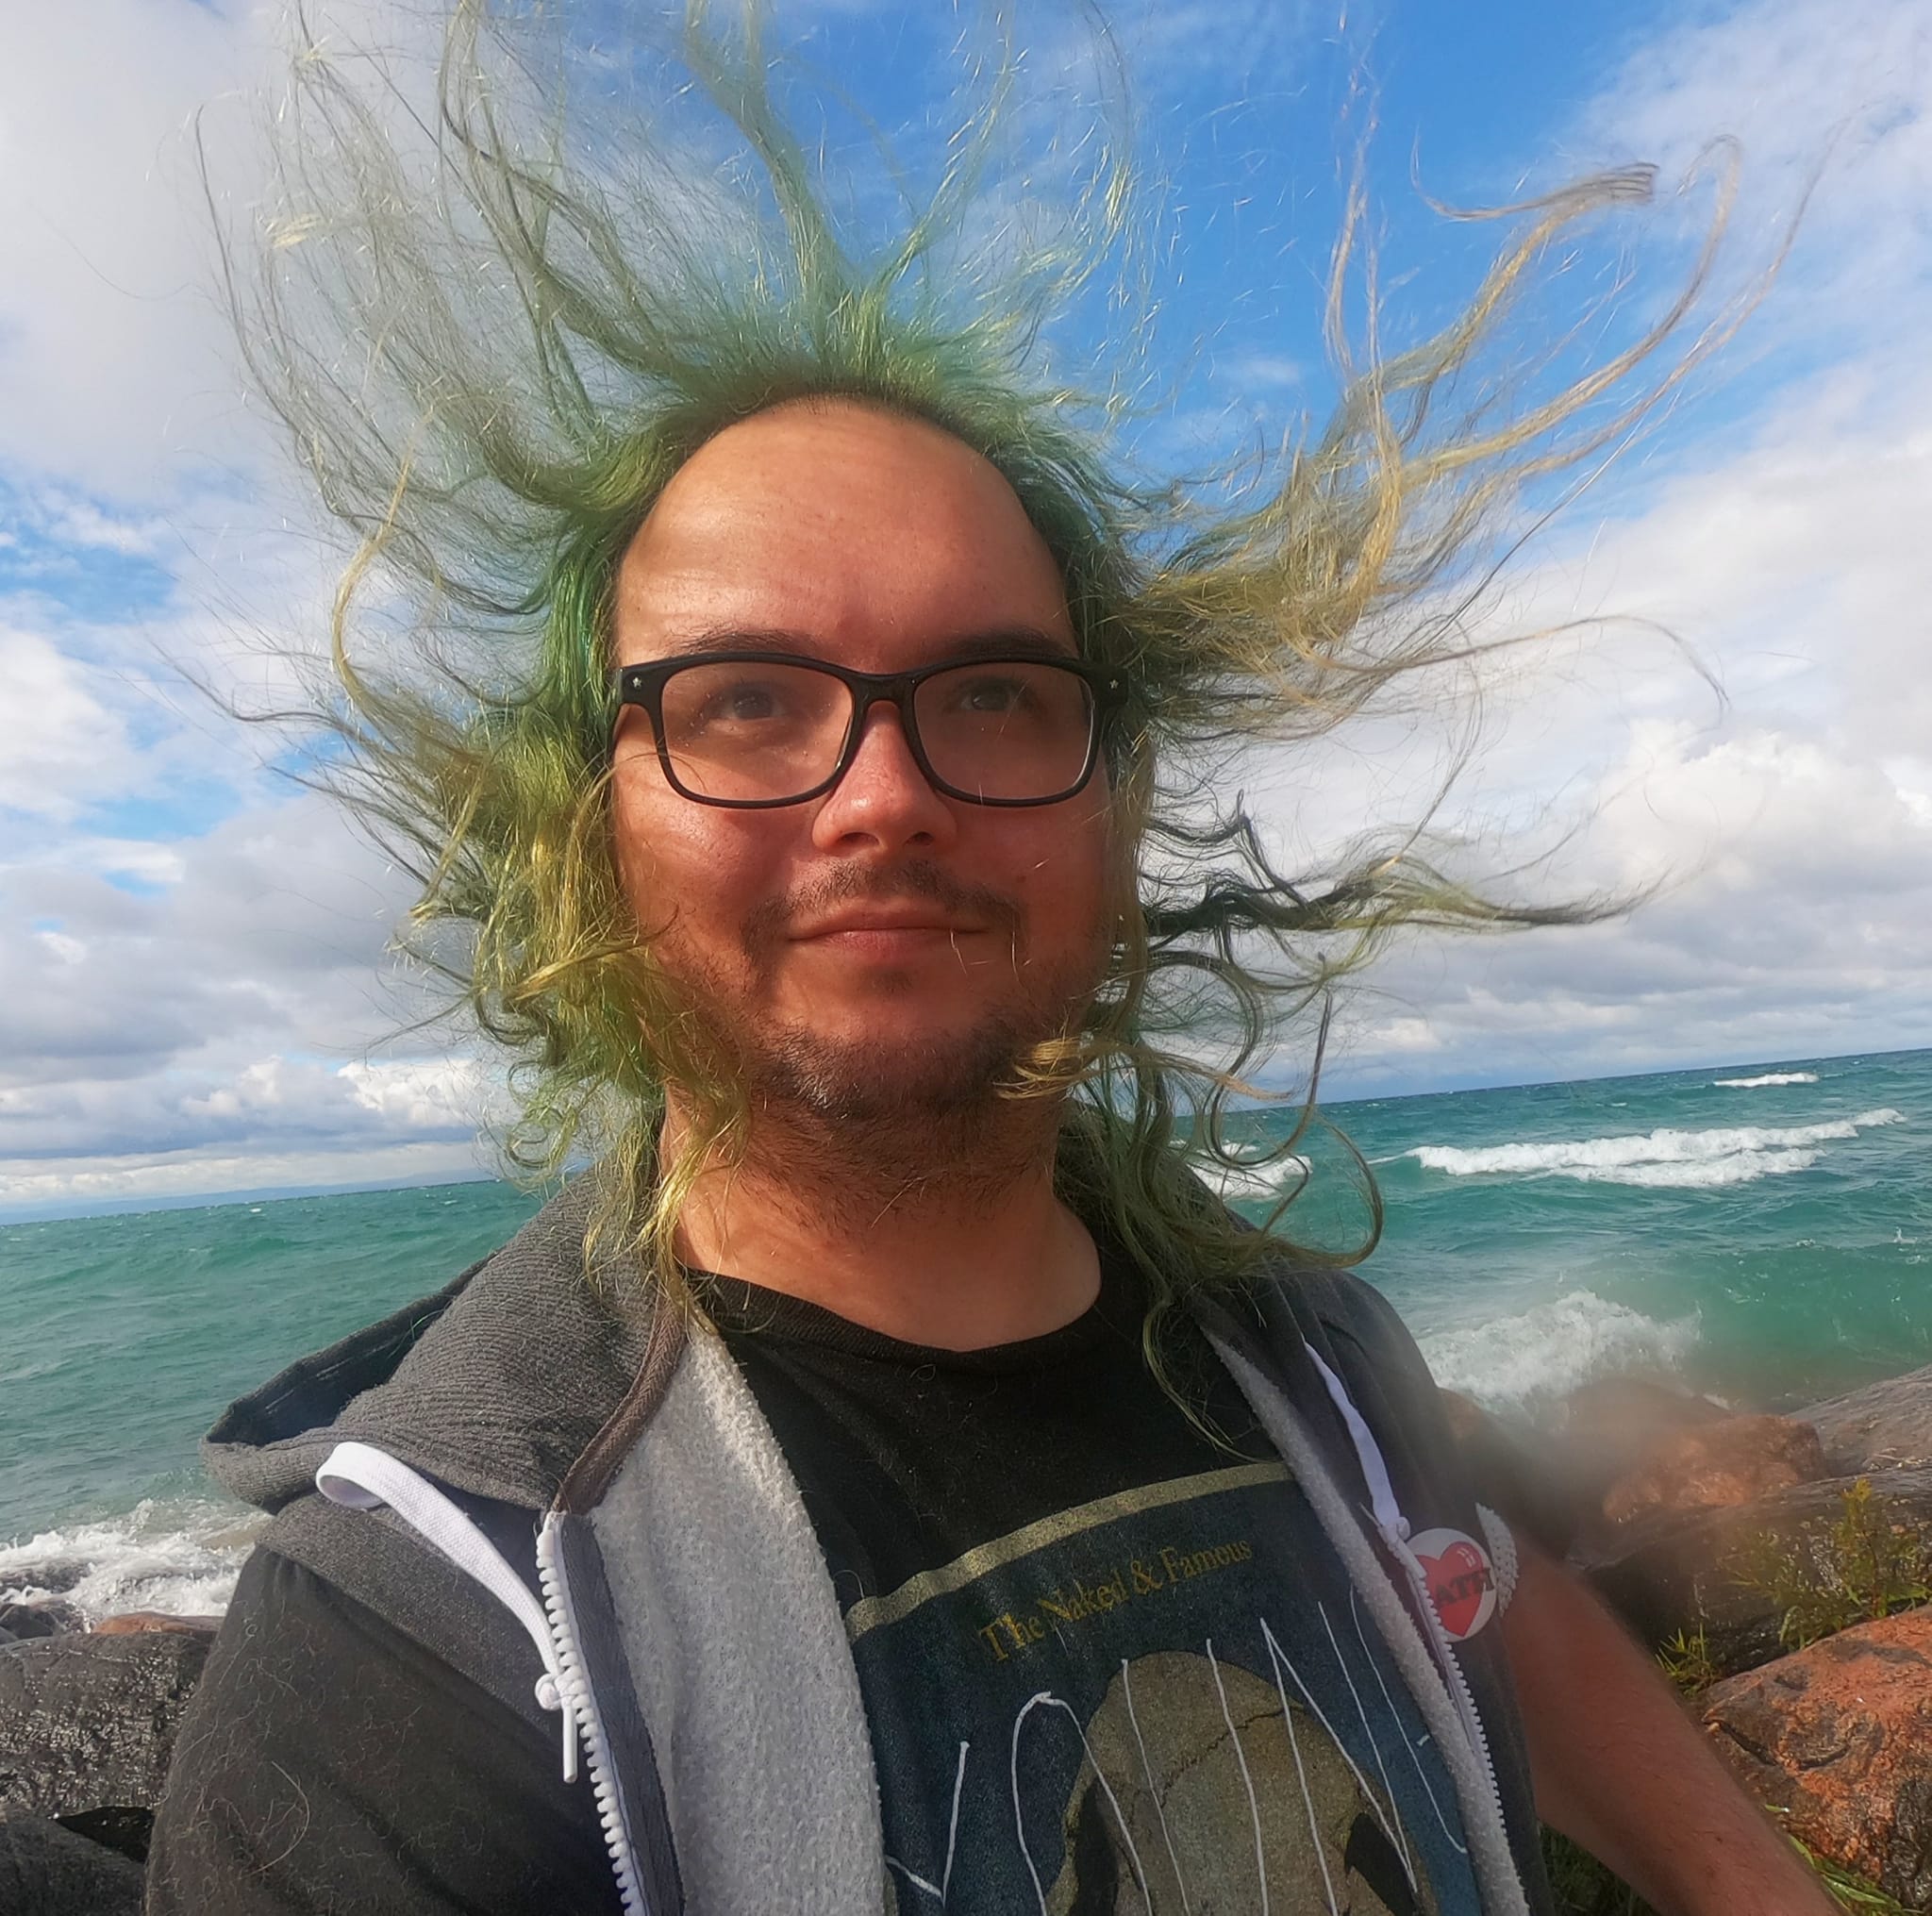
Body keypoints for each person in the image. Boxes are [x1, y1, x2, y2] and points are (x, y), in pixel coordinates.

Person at [148, 7, 1833, 1912]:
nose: (880, 795)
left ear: (1108, 801)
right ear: (585, 829)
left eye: (995, 692)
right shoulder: (422, 1647)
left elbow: (1467, 1585)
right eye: (750, 697)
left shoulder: (1309, 1355)